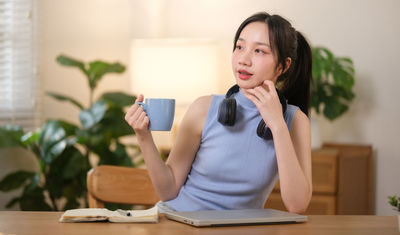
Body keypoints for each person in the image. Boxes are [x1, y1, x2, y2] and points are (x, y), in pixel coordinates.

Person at [125, 12, 312, 213]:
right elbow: (168, 190)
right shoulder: (203, 108)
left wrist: (277, 124)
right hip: (178, 222)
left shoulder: (294, 121)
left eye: (259, 51)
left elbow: (297, 205)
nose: (244, 60)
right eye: (240, 47)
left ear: (283, 66)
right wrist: (143, 136)